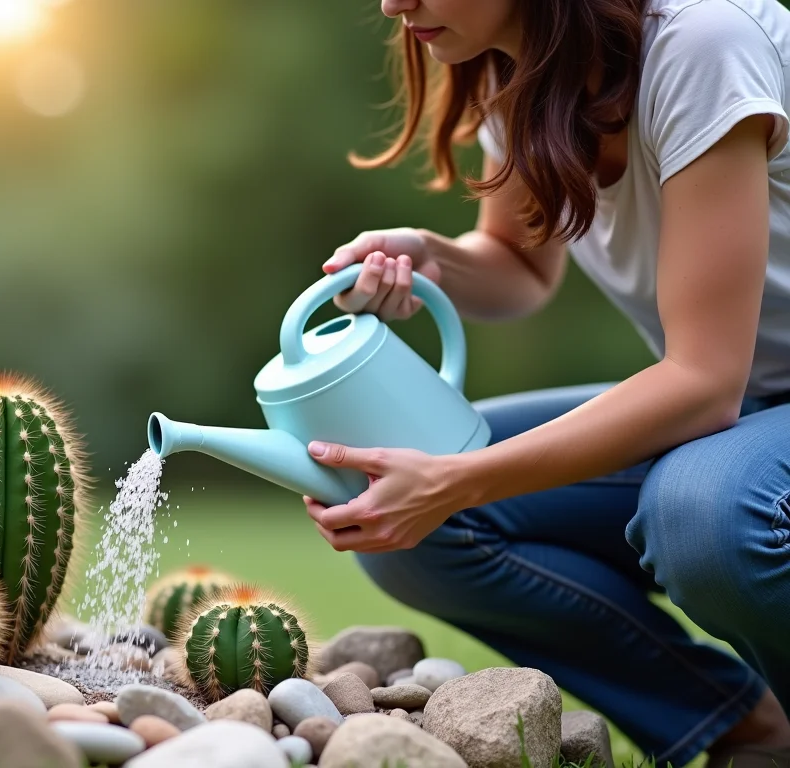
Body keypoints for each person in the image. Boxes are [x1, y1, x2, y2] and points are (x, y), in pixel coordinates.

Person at [299, 0, 790, 765]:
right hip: (749, 403)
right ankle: (749, 729)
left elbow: (703, 381)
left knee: (702, 513)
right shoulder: (517, 69)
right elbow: (522, 267)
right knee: (399, 520)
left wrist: (458, 479)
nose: (394, 4)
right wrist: (435, 258)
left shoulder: (703, 45)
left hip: (731, 398)